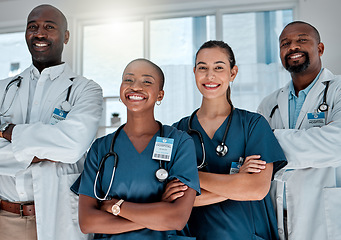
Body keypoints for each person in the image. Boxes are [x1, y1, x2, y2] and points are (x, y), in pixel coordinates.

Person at [0, 4, 103, 240]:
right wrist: (45, 149)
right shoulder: (3, 89)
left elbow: (72, 146)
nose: (40, 33)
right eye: (33, 27)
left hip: (59, 216)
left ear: (66, 36)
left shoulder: (86, 90)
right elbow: (62, 148)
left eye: (49, 27)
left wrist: (10, 133)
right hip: (6, 218)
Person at [167, 40, 287, 240]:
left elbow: (257, 189)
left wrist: (190, 177)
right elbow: (174, 199)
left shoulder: (253, 125)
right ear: (194, 72)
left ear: (233, 73)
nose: (209, 75)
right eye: (202, 68)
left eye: (219, 67)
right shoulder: (177, 132)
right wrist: (239, 182)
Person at [71, 58, 200, 240]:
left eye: (147, 81)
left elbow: (176, 218)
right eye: (128, 80)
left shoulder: (179, 142)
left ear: (160, 95)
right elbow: (88, 222)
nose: (136, 87)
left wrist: (116, 206)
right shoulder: (101, 148)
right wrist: (157, 212)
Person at [258, 21, 341, 240]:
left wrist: (270, 141)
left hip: (325, 217)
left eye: (302, 40)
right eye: (285, 43)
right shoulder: (269, 103)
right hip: (278, 215)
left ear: (320, 48)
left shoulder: (338, 90)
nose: (293, 47)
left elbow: (337, 145)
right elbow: (257, 159)